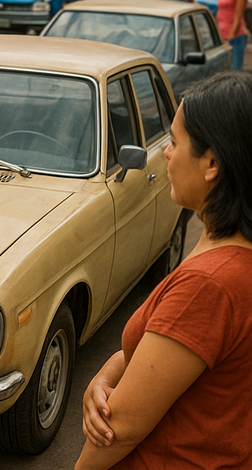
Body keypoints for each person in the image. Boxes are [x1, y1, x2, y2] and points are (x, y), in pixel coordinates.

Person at [77, 71, 252, 470]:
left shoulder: (210, 283)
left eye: (174, 141)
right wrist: (106, 373)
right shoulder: (225, 247)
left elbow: (119, 428)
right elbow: (170, 351)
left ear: (212, 163)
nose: (166, 153)